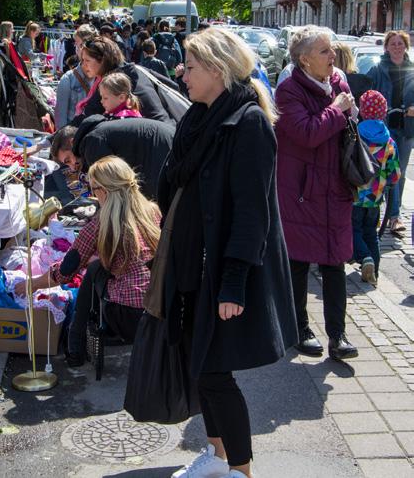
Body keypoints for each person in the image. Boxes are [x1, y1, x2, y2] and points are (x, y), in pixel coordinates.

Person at [158, 27, 297, 478]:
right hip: (193, 263)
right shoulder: (199, 117)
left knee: (215, 371)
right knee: (200, 367)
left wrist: (234, 281)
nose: (183, 74)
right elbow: (177, 180)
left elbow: (253, 212)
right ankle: (218, 459)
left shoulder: (248, 122)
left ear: (217, 70)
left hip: (224, 269)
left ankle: (241, 470)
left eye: (191, 66)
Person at [16, 156, 161, 366]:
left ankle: (75, 348)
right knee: (96, 267)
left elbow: (66, 270)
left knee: (93, 270)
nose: (93, 195)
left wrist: (31, 284)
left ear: (104, 190)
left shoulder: (101, 224)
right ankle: (76, 347)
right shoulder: (153, 212)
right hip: (160, 307)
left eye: (94, 190)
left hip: (128, 315)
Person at [275, 25, 359, 361]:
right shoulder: (288, 91)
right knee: (298, 262)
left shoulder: (338, 80)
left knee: (335, 262)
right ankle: (300, 329)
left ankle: (338, 336)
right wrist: (338, 110)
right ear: (305, 60)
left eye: (332, 49)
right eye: (324, 51)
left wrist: (350, 112)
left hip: (334, 188)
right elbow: (308, 133)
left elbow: (345, 124)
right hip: (301, 191)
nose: (333, 55)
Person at [50, 117, 174, 200]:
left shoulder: (91, 143)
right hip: (163, 142)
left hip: (160, 151)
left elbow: (111, 188)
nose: (72, 166)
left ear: (72, 142)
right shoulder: (93, 136)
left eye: (68, 160)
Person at [367, 30, 414, 236]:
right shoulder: (378, 69)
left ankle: (394, 216)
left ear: (406, 47)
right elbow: (365, 93)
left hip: (406, 129)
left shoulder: (412, 70)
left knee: (399, 173)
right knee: (383, 172)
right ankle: (386, 214)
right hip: (383, 130)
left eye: (400, 44)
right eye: (393, 44)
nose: (397, 47)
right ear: (386, 47)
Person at [353, 91, 400, 285]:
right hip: (375, 197)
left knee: (353, 229)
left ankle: (365, 258)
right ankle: (375, 272)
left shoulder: (355, 135)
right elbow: (394, 174)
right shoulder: (389, 141)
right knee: (371, 232)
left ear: (362, 111)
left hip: (355, 194)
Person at [72, 37, 176, 125]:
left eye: (87, 60)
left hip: (152, 140)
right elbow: (173, 85)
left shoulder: (112, 82)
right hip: (167, 128)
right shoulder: (134, 69)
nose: (83, 65)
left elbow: (89, 116)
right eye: (82, 61)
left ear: (103, 60)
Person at [54, 25, 96, 128]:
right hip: (74, 138)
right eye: (76, 44)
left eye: (78, 44)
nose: (76, 48)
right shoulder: (68, 79)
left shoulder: (104, 78)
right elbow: (61, 122)